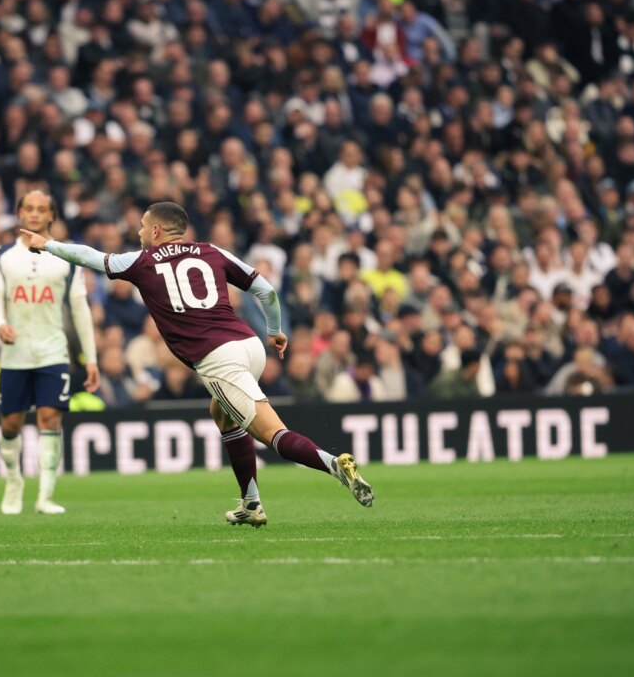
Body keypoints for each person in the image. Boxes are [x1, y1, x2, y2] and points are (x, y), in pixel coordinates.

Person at [21, 201, 374, 527]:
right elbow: (266, 291)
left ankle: (334, 464)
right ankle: (251, 503)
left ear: (156, 230)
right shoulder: (211, 251)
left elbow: (89, 257)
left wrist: (47, 244)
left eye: (143, 226)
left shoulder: (142, 261)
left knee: (272, 434)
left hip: (219, 359)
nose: (139, 232)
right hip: (249, 345)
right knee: (222, 414)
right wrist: (274, 330)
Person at [0, 191, 99, 515]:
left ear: (52, 215)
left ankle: (45, 495)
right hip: (15, 353)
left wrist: (91, 358)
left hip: (53, 351)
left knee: (50, 419)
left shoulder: (66, 255)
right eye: (29, 208)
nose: (34, 214)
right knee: (10, 424)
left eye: (41, 209)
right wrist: (0, 323)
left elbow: (80, 309)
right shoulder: (3, 255)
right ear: (19, 213)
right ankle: (13, 480)